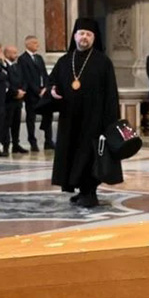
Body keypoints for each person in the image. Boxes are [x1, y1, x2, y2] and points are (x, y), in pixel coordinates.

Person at [49, 18, 120, 209]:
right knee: (72, 154)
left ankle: (90, 192)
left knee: (89, 156)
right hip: (70, 119)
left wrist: (110, 122)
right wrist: (52, 91)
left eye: (88, 34)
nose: (84, 37)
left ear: (94, 38)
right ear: (75, 36)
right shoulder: (65, 61)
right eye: (81, 34)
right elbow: (52, 82)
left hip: (94, 120)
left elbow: (111, 94)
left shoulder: (103, 62)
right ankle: (81, 190)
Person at [19, 35, 53, 151]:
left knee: (48, 115)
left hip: (44, 91)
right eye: (34, 43)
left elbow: (44, 74)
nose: (37, 45)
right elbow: (26, 77)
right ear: (28, 44)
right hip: (32, 94)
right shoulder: (23, 59)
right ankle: (32, 141)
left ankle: (48, 140)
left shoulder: (39, 58)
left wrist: (46, 88)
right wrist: (38, 91)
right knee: (31, 118)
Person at [3, 45, 27, 155]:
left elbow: (24, 80)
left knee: (16, 123)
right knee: (7, 124)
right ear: (7, 54)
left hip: (18, 100)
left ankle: (16, 144)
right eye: (14, 53)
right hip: (9, 100)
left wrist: (23, 91)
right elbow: (6, 82)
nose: (16, 55)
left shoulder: (17, 66)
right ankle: (6, 146)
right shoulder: (4, 66)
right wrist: (15, 92)